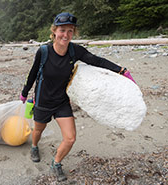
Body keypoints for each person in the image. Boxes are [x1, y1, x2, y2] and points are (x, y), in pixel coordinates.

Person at [20, 12, 135, 182]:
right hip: (43, 101)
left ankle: (56, 162)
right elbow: (32, 74)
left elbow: (97, 61)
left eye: (70, 31)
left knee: (70, 138)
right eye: (62, 30)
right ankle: (35, 146)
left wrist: (122, 71)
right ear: (54, 31)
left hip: (61, 102)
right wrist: (24, 93)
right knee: (38, 130)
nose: (65, 35)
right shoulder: (43, 51)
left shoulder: (75, 51)